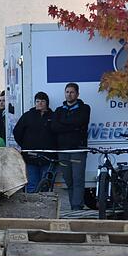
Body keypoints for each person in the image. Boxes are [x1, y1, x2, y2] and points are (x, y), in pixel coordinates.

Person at [52, 82, 91, 210]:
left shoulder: (84, 108)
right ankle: (72, 205)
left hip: (77, 150)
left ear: (77, 94)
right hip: (63, 150)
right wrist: (71, 126)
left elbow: (79, 122)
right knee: (68, 180)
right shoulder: (59, 110)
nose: (69, 94)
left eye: (72, 92)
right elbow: (54, 127)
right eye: (67, 92)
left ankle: (77, 206)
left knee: (78, 180)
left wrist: (64, 125)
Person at [14, 92, 56, 193]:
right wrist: (25, 145)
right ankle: (32, 208)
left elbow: (58, 134)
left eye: (42, 101)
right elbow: (17, 132)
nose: (40, 103)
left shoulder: (53, 116)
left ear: (47, 103)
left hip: (48, 158)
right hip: (31, 158)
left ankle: (45, 208)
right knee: (32, 186)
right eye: (37, 101)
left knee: (46, 186)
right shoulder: (27, 116)